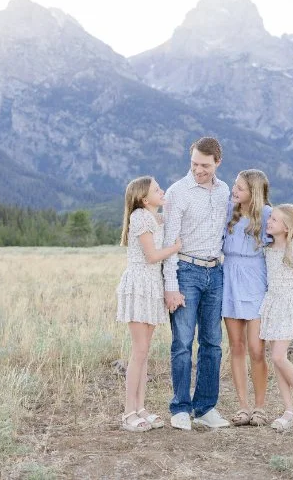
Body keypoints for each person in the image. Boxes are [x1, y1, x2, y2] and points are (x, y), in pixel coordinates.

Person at [163, 137, 231, 430]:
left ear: (217, 162)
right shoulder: (178, 192)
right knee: (182, 342)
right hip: (185, 271)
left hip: (215, 272)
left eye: (204, 165)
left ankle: (205, 408)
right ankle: (180, 407)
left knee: (213, 344)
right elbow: (169, 242)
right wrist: (170, 285)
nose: (198, 170)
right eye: (194, 163)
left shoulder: (224, 190)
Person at [116, 176, 181, 432]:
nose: (162, 191)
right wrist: (176, 247)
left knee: (145, 352)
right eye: (157, 189)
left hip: (153, 286)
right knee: (139, 351)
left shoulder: (157, 218)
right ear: (144, 199)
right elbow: (152, 256)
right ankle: (128, 412)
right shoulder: (140, 216)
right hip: (139, 284)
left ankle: (141, 407)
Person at [222, 170, 272, 427]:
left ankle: (260, 406)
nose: (234, 190)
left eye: (240, 188)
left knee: (256, 348)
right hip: (229, 279)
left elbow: (277, 248)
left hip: (254, 281)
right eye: (234, 185)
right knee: (237, 346)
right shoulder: (229, 211)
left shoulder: (265, 215)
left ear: (253, 192)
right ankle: (242, 406)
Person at [259, 204, 293, 431]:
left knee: (280, 357)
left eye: (274, 219)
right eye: (269, 218)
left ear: (287, 227)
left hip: (289, 306)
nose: (269, 222)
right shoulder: (268, 248)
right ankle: (288, 409)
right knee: (275, 359)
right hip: (273, 305)